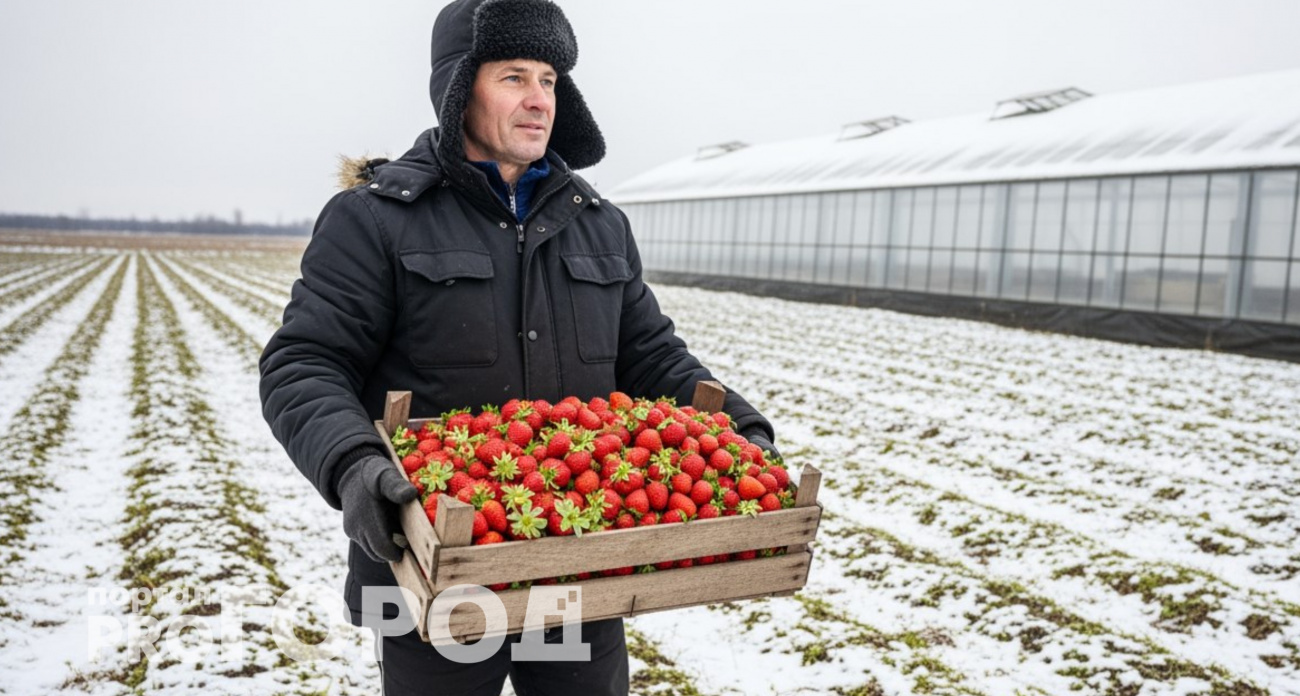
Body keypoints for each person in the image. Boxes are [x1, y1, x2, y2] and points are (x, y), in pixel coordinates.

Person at [259, 0, 777, 693]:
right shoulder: (376, 219)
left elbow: (652, 356)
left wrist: (737, 426)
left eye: (550, 80)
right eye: (514, 77)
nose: (540, 100)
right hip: (433, 570)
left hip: (577, 564)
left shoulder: (598, 224)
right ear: (458, 89)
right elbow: (304, 363)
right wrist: (353, 465)